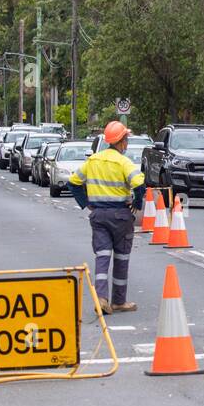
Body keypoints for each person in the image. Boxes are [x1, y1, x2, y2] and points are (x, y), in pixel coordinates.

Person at [70, 120, 145, 313]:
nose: (127, 143)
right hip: (120, 215)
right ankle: (119, 301)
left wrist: (86, 203)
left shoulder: (93, 160)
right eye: (126, 139)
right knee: (121, 257)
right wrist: (136, 205)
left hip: (98, 215)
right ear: (121, 142)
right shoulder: (123, 162)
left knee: (102, 257)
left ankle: (101, 299)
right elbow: (139, 184)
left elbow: (73, 182)